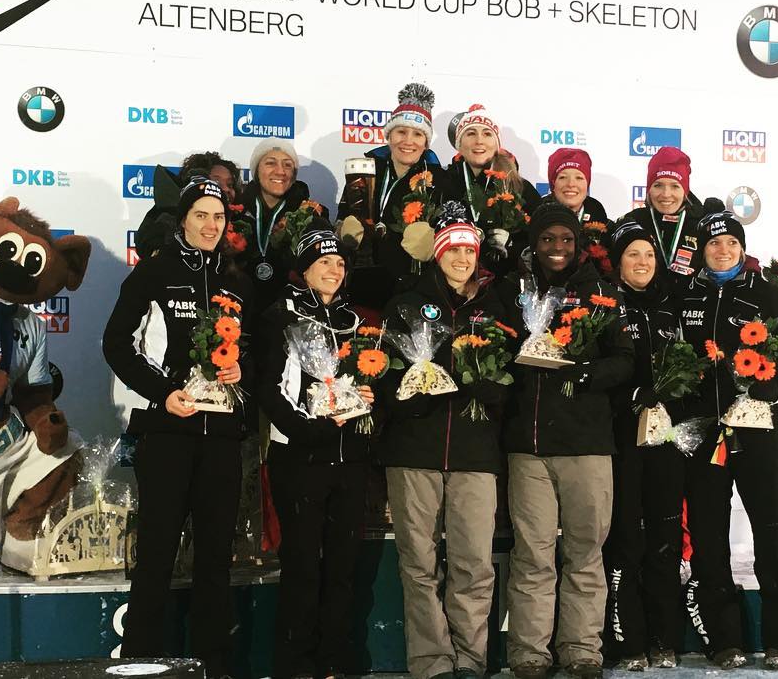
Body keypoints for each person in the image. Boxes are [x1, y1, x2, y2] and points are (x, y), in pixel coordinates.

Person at [102, 178, 253, 679]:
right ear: (183, 220)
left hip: (222, 438)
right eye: (201, 215)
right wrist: (164, 394)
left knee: (215, 560)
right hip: (167, 434)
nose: (211, 226)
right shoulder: (154, 273)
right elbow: (117, 345)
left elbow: (251, 355)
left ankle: (214, 667)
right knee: (157, 556)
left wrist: (239, 372)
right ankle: (142, 663)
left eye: (218, 218)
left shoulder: (235, 282)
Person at [498, 202, 634, 679]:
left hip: (589, 447)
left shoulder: (600, 293)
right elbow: (493, 348)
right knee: (532, 554)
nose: (557, 248)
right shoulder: (512, 293)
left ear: (578, 246)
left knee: (585, 553)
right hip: (529, 448)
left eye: (566, 240)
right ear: (533, 245)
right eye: (547, 240)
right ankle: (529, 653)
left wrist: (583, 373)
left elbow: (625, 360)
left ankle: (581, 650)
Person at [379, 203, 510, 679]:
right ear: (438, 253)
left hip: (476, 454)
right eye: (453, 248)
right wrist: (417, 393)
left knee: (475, 564)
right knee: (419, 564)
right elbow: (385, 383)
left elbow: (508, 383)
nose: (461, 257)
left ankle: (470, 662)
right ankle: (433, 663)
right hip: (414, 451)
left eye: (469, 249)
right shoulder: (406, 304)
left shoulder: (492, 309)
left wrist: (486, 386)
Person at [677, 211, 778, 671]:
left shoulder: (766, 294)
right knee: (710, 538)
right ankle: (724, 640)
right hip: (705, 435)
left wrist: (764, 390)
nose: (723, 250)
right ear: (702, 249)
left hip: (759, 433)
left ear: (741, 247)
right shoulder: (685, 292)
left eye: (731, 243)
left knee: (771, 532)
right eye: (714, 244)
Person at [257, 223, 372, 679]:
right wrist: (309, 431)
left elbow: (367, 375)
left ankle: (332, 661)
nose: (334, 270)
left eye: (340, 263)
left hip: (350, 459)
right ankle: (295, 663)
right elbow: (268, 389)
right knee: (302, 567)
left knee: (342, 568)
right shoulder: (279, 316)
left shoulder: (357, 320)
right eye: (324, 262)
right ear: (305, 270)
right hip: (300, 459)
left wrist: (367, 396)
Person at [602, 221, 686, 671]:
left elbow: (693, 371)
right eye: (633, 255)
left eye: (649, 255)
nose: (642, 263)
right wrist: (627, 399)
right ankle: (627, 639)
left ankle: (664, 638)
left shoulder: (673, 308)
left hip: (667, 439)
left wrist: (670, 394)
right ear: (618, 263)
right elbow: (599, 369)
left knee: (665, 540)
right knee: (626, 541)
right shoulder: (606, 306)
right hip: (622, 439)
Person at [337, 84, 447, 307]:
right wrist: (343, 229)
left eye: (417, 134)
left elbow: (451, 226)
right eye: (401, 132)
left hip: (417, 283)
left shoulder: (439, 178)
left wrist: (435, 241)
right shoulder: (366, 168)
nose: (408, 141)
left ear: (426, 142)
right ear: (389, 135)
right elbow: (344, 213)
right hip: (365, 277)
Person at [442, 105, 541, 278]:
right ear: (459, 144)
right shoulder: (443, 183)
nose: (479, 141)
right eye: (471, 133)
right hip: (451, 281)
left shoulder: (519, 186)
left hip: (504, 284)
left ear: (496, 144)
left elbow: (539, 238)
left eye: (487, 134)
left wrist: (511, 243)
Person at [238, 138, 324, 311]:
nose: (280, 171)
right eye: (270, 163)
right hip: (239, 306)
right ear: (256, 171)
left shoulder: (310, 214)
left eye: (287, 165)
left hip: (290, 310)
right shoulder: (235, 212)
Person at [623, 147, 721, 286]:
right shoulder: (634, 221)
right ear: (649, 189)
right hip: (645, 305)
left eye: (675, 186)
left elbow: (731, 259)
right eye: (658, 185)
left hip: (692, 305)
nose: (666, 194)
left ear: (685, 190)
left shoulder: (703, 223)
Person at [135, 151, 245, 258]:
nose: (226, 189)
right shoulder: (169, 220)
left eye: (230, 184)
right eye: (216, 182)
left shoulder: (242, 223)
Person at [541, 148, 612, 277]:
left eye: (579, 178)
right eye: (563, 177)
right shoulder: (535, 218)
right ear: (553, 184)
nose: (571, 184)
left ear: (587, 184)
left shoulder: (603, 222)